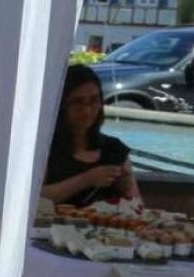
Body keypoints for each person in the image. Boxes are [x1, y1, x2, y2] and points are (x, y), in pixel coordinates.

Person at [42, 63, 138, 207]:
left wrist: (127, 188)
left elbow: (137, 205)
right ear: (61, 105)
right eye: (78, 102)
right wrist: (86, 180)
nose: (87, 111)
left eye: (93, 100)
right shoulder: (45, 149)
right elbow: (33, 198)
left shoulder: (115, 149)